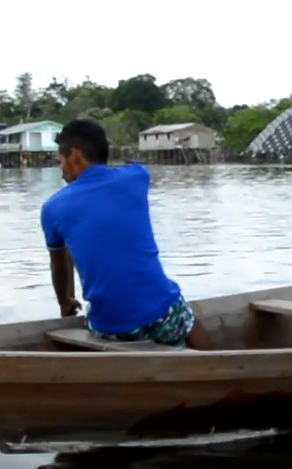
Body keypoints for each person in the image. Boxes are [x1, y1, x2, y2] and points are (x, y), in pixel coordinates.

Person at [40, 119, 212, 349]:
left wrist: (65, 302)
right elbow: (127, 171)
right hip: (161, 317)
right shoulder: (137, 177)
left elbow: (59, 264)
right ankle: (220, 365)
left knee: (70, 242)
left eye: (60, 162)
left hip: (109, 328)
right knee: (183, 313)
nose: (61, 172)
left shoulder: (53, 208)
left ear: (75, 155)